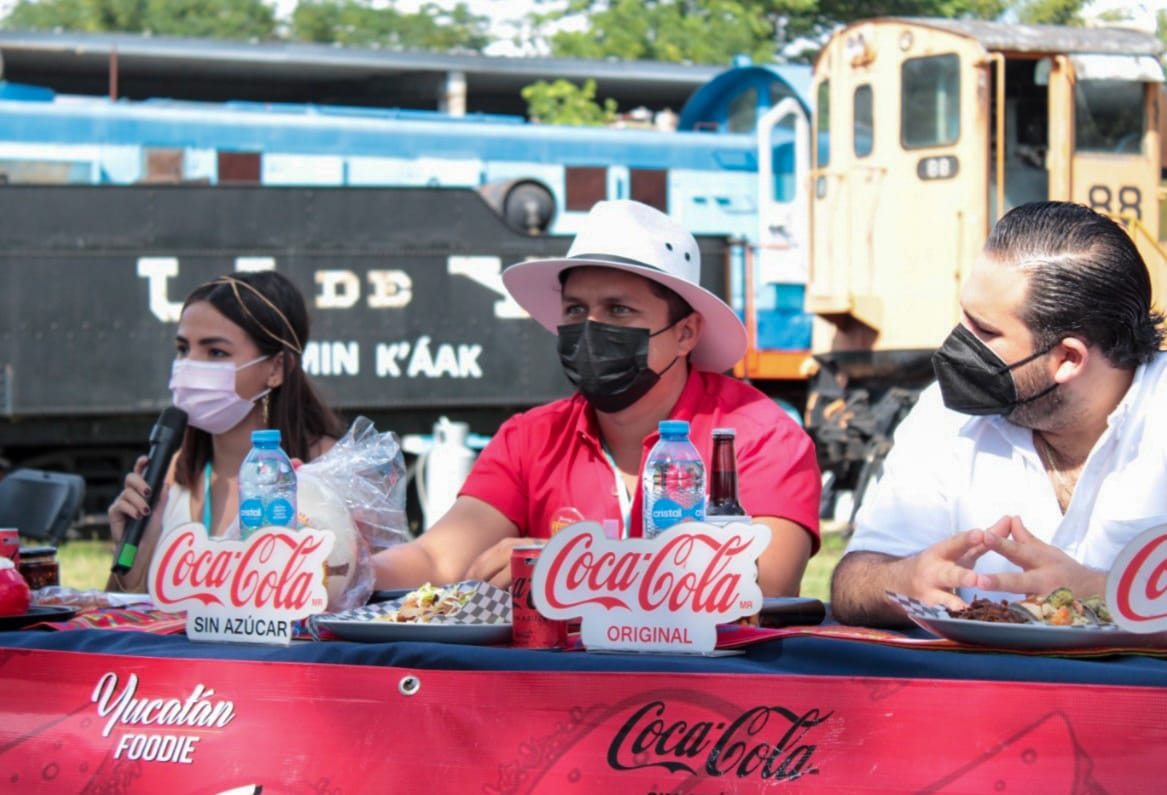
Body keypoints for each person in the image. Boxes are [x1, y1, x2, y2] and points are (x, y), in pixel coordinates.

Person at [372, 199, 821, 597]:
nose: (589, 329)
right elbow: (437, 561)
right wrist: (343, 572)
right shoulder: (530, 439)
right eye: (575, 310)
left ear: (685, 333)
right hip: (554, 689)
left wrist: (574, 566)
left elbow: (768, 582)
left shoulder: (757, 436)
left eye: (618, 310)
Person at [831, 201, 1167, 627]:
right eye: (964, 318)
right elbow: (851, 584)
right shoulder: (944, 414)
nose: (955, 345)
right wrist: (904, 579)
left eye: (984, 331)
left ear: (1067, 358)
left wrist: (1102, 596)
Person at [107, 271, 345, 592]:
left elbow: (361, 598)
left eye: (216, 352)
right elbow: (121, 615)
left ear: (276, 368)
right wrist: (136, 552)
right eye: (182, 349)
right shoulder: (173, 473)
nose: (190, 366)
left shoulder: (332, 469)